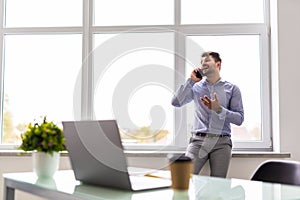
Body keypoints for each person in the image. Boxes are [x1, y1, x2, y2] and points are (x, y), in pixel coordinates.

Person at [171, 51, 244, 178]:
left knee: (218, 185)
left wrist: (219, 109)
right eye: (201, 62)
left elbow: (239, 119)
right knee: (184, 178)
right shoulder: (195, 87)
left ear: (218, 64)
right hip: (198, 141)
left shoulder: (232, 89)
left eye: (207, 61)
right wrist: (191, 81)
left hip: (222, 142)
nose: (203, 64)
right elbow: (176, 102)